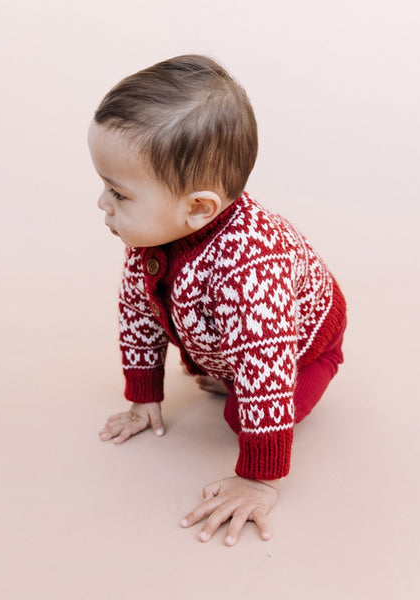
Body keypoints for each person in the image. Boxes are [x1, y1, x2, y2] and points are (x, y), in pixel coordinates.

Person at [88, 54, 347, 546]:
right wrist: (143, 396)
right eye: (104, 186)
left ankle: (320, 367)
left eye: (118, 193)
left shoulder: (249, 271)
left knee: (240, 413)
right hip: (239, 344)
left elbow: (266, 373)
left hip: (301, 347)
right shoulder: (152, 242)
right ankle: (226, 371)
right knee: (230, 374)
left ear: (198, 208)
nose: (102, 203)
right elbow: (139, 315)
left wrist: (258, 479)